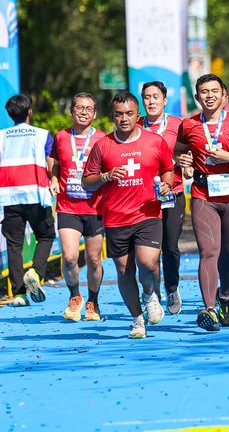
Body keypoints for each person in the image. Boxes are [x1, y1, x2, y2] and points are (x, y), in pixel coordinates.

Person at [82, 92, 175, 338]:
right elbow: (86, 182)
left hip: (147, 213)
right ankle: (137, 320)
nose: (124, 119)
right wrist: (105, 176)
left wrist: (167, 184)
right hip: (116, 218)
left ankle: (150, 294)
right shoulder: (103, 145)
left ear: (137, 115)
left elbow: (168, 169)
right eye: (119, 114)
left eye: (129, 114)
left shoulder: (154, 141)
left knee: (148, 263)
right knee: (124, 271)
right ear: (112, 116)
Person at [175, 74, 229, 332]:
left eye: (214, 91)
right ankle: (209, 309)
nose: (209, 95)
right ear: (197, 96)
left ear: (224, 96)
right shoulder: (189, 125)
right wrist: (184, 162)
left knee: (228, 252)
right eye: (204, 91)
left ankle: (224, 297)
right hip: (203, 195)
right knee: (208, 251)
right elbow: (179, 151)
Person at [49, 93, 106, 320]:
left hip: (95, 208)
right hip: (68, 207)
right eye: (79, 108)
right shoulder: (61, 136)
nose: (84, 112)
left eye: (88, 109)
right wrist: (54, 179)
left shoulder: (102, 138)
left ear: (95, 114)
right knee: (69, 256)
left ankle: (93, 301)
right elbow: (55, 163)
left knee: (94, 259)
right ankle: (74, 296)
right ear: (71, 111)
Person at [0, 94, 55, 307]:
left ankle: (19, 295)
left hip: (9, 196)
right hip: (36, 195)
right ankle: (36, 272)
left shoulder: (2, 136)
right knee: (46, 236)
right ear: (29, 111)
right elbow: (51, 165)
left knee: (14, 245)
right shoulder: (42, 135)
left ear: (10, 114)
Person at [138, 81, 187, 314]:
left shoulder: (178, 125)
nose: (151, 101)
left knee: (170, 246)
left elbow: (190, 151)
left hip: (173, 193)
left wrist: (186, 163)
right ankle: (152, 294)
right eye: (147, 97)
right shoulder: (136, 125)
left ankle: (172, 287)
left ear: (165, 100)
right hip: (143, 196)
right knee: (149, 249)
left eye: (156, 97)